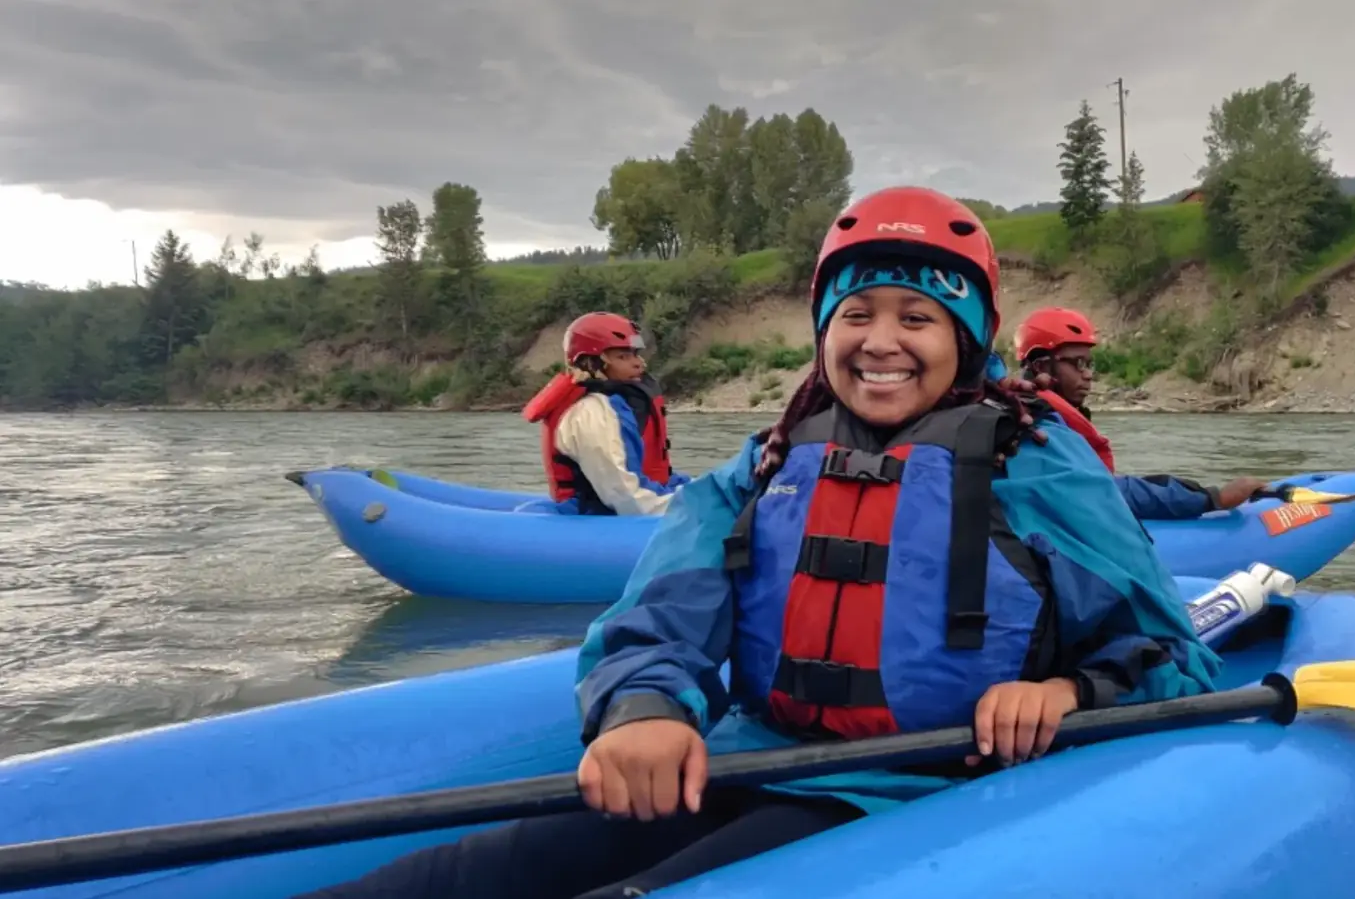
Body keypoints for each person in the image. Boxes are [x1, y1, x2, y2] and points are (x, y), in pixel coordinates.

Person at [298, 186, 1221, 899]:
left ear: (967, 338)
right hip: (751, 751)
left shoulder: (1039, 464)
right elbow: (665, 605)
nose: (880, 342)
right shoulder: (773, 459)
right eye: (855, 316)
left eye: (917, 318)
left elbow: (1170, 659)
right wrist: (646, 708)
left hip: (911, 792)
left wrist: (1062, 690)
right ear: (825, 334)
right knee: (456, 878)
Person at [1012, 307, 1269, 520]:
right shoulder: (1036, 427)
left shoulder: (1038, 413)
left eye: (1090, 364)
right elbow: (1102, 491)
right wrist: (1214, 499)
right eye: (1078, 363)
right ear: (1042, 367)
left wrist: (1196, 492)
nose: (1088, 374)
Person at [521, 312, 691, 516]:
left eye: (635, 354)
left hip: (636, 503)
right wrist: (693, 508)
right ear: (592, 363)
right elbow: (625, 496)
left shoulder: (615, 405)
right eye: (623, 356)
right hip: (598, 517)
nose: (639, 364)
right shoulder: (591, 414)